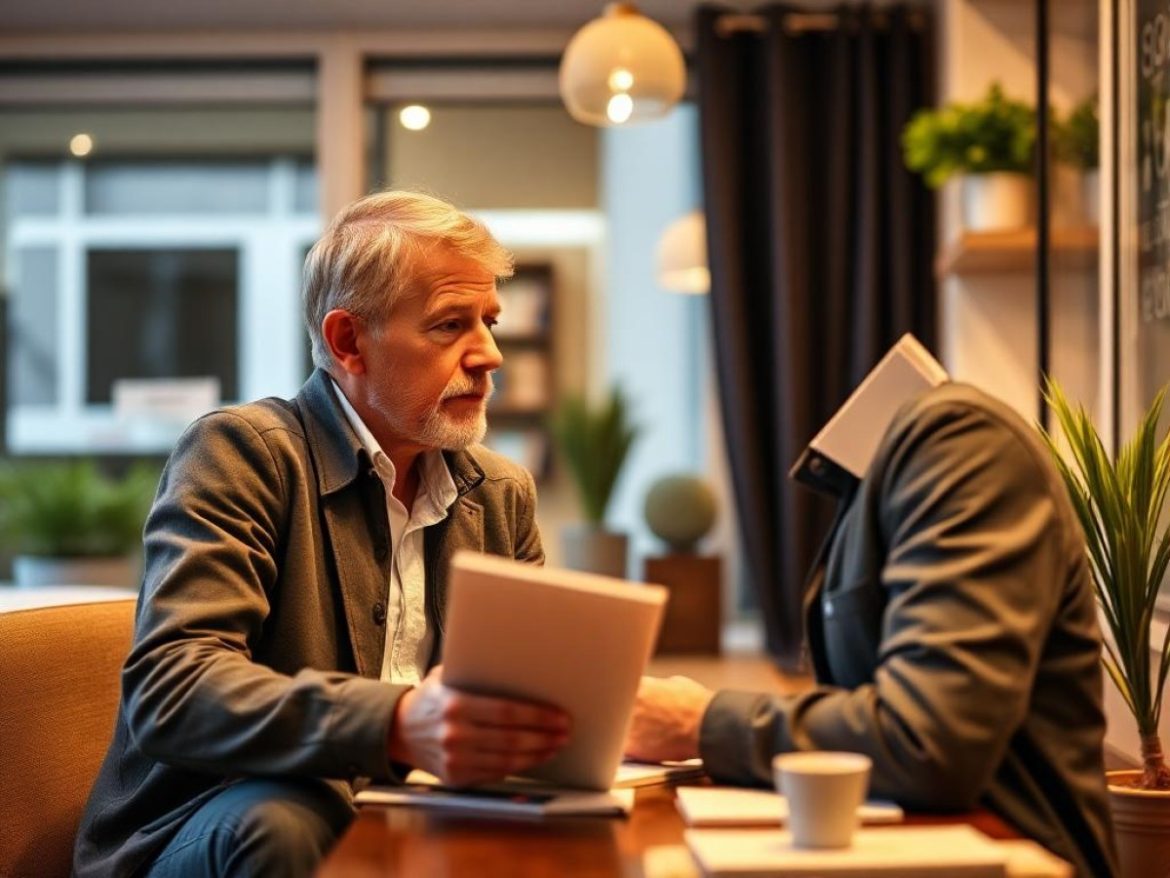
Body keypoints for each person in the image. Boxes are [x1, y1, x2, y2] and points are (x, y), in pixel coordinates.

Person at [74, 190, 570, 878]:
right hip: (207, 829)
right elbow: (174, 692)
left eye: (489, 321)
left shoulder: (501, 492)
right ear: (348, 343)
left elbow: (520, 692)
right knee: (291, 815)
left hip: (412, 821)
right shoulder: (243, 452)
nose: (489, 354)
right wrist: (397, 723)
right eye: (450, 325)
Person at [625, 382, 1117, 878]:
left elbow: (928, 739)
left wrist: (698, 721)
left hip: (1011, 852)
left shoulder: (962, 444)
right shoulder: (895, 461)